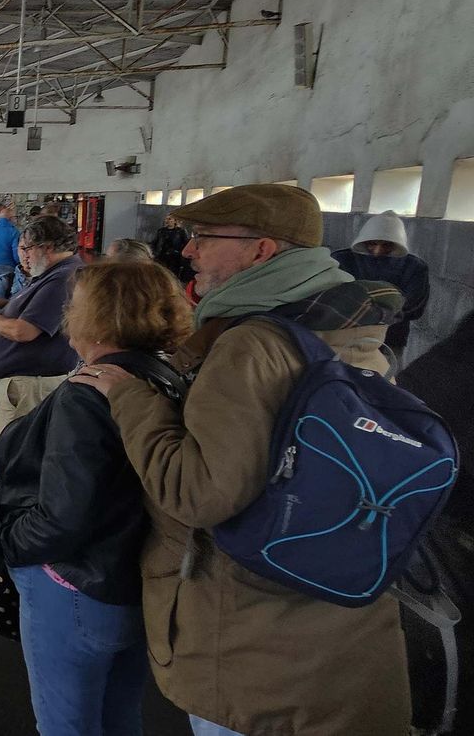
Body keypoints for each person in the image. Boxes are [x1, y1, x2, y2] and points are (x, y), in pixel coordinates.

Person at [69, 184, 411, 736]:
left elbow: (200, 493)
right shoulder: (341, 327)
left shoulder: (250, 344)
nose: (187, 251)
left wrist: (129, 395)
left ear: (263, 252)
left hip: (253, 645)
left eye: (205, 238)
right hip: (330, 620)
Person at [0, 261, 193, 736]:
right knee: (120, 715)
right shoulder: (163, 374)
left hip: (77, 585)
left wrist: (11, 544)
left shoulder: (89, 394)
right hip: (135, 579)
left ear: (99, 317)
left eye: (75, 305)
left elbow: (65, 515)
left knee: (66, 724)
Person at [0, 215, 82, 479]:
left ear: (47, 247)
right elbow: (33, 312)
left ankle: (10, 504)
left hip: (28, 385)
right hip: (22, 381)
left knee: (18, 452)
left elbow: (25, 331)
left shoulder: (61, 280)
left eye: (27, 248)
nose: (23, 256)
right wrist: (0, 303)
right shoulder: (52, 275)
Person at [332, 210, 429, 359]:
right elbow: (331, 294)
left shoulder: (414, 267)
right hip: (343, 336)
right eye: (372, 244)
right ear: (364, 241)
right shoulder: (342, 259)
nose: (377, 251)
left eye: (386, 245)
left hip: (389, 341)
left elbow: (415, 306)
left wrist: (364, 314)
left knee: (384, 377)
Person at [151, 214, 191, 282]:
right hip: (162, 256)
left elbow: (186, 243)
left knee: (173, 275)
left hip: (175, 257)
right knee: (161, 274)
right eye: (166, 219)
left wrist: (179, 252)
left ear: (175, 221)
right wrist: (154, 253)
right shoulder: (161, 231)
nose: (167, 221)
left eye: (169, 219)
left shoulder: (181, 231)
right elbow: (155, 242)